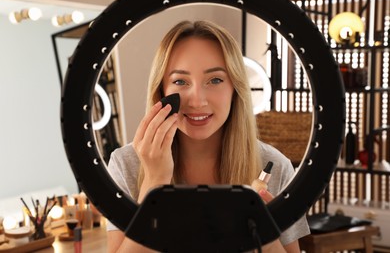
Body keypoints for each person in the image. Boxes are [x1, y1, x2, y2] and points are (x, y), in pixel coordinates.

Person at [106, 20, 310, 253]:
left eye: (215, 80)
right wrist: (154, 180)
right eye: (180, 81)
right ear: (162, 91)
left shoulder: (275, 167)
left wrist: (265, 231)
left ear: (235, 88)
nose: (197, 101)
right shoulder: (125, 165)